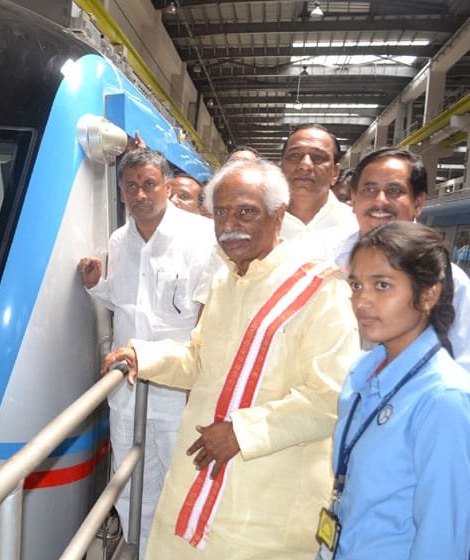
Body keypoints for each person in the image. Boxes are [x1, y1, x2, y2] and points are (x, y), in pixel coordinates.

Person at [104, 159, 359, 559]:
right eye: (221, 212)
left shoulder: (320, 289)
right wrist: (143, 355)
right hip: (202, 479)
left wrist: (243, 432)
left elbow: (331, 397)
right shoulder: (225, 279)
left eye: (246, 212)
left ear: (278, 215)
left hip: (267, 498)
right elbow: (200, 359)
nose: (228, 225)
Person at [78, 148, 216, 556]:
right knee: (131, 481)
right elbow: (126, 303)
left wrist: (203, 382)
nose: (141, 194)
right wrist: (96, 285)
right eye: (131, 186)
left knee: (182, 484)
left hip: (178, 392)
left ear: (168, 187)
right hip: (129, 390)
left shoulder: (199, 236)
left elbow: (210, 313)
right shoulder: (120, 241)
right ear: (121, 192)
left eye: (149, 184)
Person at [317, 221, 470, 560]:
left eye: (382, 285)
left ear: (428, 294)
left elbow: (443, 536)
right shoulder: (363, 371)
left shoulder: (443, 398)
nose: (362, 302)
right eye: (356, 285)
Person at [336, 146, 470, 372]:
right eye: (369, 189)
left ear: (418, 203)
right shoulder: (326, 262)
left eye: (394, 191)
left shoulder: (449, 282)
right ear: (353, 199)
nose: (380, 201)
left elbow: (464, 365)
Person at [279, 123, 357, 259]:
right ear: (281, 167)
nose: (305, 165)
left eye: (318, 157)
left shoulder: (355, 227)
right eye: (295, 155)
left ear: (335, 173)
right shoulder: (258, 223)